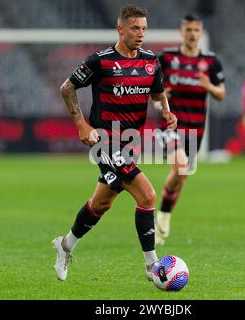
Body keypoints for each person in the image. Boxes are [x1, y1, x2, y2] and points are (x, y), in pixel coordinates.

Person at [52, 4, 177, 282]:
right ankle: (153, 267)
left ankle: (64, 246)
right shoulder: (101, 61)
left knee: (101, 204)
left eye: (144, 28)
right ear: (120, 29)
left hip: (130, 143)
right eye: (135, 28)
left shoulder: (150, 61)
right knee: (147, 195)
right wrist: (82, 124)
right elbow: (67, 88)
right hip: (104, 142)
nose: (141, 33)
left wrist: (165, 110)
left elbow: (157, 95)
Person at [155, 14, 226, 246]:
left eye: (196, 30)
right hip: (171, 124)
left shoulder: (211, 62)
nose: (193, 34)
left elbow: (221, 94)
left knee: (181, 177)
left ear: (201, 33)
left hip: (196, 129)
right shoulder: (167, 58)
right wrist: (161, 96)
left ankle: (165, 212)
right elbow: (150, 88)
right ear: (181, 32)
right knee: (180, 166)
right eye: (189, 30)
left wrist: (208, 86)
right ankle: (162, 214)